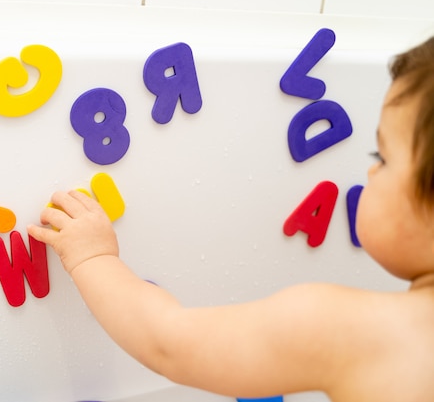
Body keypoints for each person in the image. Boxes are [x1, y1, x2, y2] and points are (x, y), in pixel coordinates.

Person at [27, 38, 434, 401]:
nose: (370, 174)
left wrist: (94, 258)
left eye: (382, 158)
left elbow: (168, 343)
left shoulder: (349, 332)